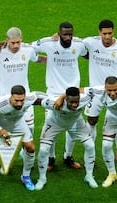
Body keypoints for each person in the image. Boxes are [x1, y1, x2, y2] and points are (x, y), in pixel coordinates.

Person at [32, 22, 87, 171]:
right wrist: (39, 59)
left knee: (72, 125)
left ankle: (68, 156)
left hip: (73, 93)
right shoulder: (48, 43)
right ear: (58, 33)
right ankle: (51, 158)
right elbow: (29, 48)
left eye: (70, 34)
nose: (68, 37)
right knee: (51, 125)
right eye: (65, 34)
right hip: (53, 92)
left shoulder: (79, 44)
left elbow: (88, 54)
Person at [83, 19, 117, 167]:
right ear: (99, 33)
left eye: (110, 33)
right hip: (96, 91)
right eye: (104, 33)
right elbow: (74, 43)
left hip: (114, 91)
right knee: (91, 120)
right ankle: (90, 154)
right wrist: (56, 37)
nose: (107, 36)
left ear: (113, 32)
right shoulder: (90, 42)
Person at [0, 85, 44, 192]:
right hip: (0, 125)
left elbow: (40, 94)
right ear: (11, 97)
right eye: (16, 100)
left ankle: (26, 176)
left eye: (22, 100)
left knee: (30, 148)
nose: (20, 103)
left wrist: (59, 99)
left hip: (18, 124)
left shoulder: (29, 98)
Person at [35, 87, 97, 190]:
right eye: (71, 102)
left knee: (90, 145)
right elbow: (36, 101)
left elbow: (96, 90)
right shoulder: (54, 103)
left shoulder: (85, 98)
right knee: (43, 150)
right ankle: (42, 179)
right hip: (54, 123)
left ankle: (89, 176)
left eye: (76, 102)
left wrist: (62, 95)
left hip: (76, 122)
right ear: (66, 100)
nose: (74, 105)